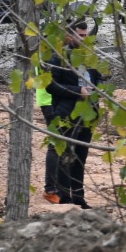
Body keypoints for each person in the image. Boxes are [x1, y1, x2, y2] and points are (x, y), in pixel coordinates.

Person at [36, 28, 98, 206]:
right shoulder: (58, 57)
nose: (84, 39)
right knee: (62, 152)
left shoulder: (90, 56)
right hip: (64, 111)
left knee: (80, 155)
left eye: (86, 35)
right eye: (81, 35)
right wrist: (77, 91)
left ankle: (78, 197)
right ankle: (61, 195)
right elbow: (50, 85)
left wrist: (97, 90)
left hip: (88, 112)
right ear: (70, 35)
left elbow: (97, 77)